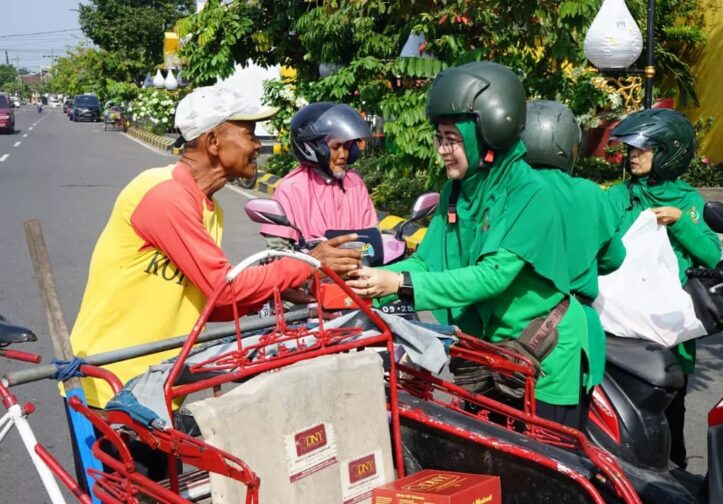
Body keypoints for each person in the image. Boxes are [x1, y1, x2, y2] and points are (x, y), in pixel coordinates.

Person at [67, 86, 362, 482]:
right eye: (249, 133)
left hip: (156, 388)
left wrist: (273, 292)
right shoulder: (165, 194)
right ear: (212, 141)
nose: (258, 145)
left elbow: (214, 304)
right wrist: (308, 264)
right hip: (112, 386)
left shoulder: (209, 207)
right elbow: (225, 289)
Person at [348, 61, 588, 429]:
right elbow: (428, 264)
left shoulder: (529, 192)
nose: (442, 150)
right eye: (439, 138)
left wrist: (396, 284)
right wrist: (367, 280)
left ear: (490, 133)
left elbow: (492, 276)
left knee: (546, 470)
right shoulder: (457, 191)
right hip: (490, 354)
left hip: (543, 352)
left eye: (452, 139)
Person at [606, 108, 721, 469]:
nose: (632, 155)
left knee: (671, 408)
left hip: (669, 327)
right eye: (630, 148)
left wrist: (677, 221)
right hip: (620, 322)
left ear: (668, 153)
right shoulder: (618, 196)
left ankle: (677, 472)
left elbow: (712, 254)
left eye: (642, 148)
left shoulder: (687, 202)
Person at [521, 100, 626, 398]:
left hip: (514, 336)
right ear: (570, 148)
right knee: (565, 437)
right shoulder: (591, 194)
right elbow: (614, 258)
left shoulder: (507, 190)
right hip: (574, 332)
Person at [260, 102, 377, 250]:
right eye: (336, 147)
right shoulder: (291, 188)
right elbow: (278, 250)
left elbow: (372, 235)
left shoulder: (355, 183)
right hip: (311, 270)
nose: (344, 155)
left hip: (359, 268)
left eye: (347, 147)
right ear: (312, 147)